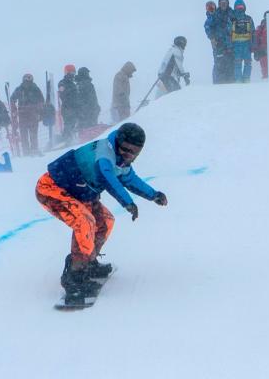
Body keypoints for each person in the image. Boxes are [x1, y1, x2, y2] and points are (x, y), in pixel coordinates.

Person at [35, 123, 168, 302]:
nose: (129, 155)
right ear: (118, 143)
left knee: (105, 221)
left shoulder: (121, 159)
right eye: (126, 150)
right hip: (51, 189)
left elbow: (129, 178)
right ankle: (74, 276)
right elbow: (108, 179)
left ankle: (88, 262)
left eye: (134, 152)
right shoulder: (105, 155)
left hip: (79, 192)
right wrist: (128, 203)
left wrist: (154, 195)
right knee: (84, 222)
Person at [11, 73, 45, 156]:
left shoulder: (34, 89)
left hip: (28, 114)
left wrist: (40, 112)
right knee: (29, 133)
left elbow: (41, 100)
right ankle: (29, 151)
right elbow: (12, 99)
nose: (27, 82)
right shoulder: (22, 89)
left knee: (28, 133)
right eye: (27, 80)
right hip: (27, 114)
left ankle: (30, 150)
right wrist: (14, 109)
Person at [206, 0, 237, 84]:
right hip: (219, 44)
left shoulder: (232, 13)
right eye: (221, 3)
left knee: (231, 64)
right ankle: (218, 83)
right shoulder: (215, 14)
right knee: (219, 64)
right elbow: (208, 26)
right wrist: (212, 37)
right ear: (219, 4)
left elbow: (238, 24)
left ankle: (232, 82)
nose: (223, 4)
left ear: (227, 3)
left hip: (231, 44)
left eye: (225, 2)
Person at [229, 0, 255, 83]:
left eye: (241, 6)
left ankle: (246, 78)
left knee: (247, 63)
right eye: (238, 7)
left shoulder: (249, 18)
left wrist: (253, 44)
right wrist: (230, 45)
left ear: (244, 7)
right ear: (235, 8)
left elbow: (253, 32)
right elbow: (229, 33)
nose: (240, 8)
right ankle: (238, 79)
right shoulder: (232, 19)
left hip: (246, 45)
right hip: (236, 46)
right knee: (237, 63)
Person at [58, 65, 81, 146]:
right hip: (67, 108)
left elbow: (76, 96)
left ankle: (69, 140)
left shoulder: (73, 84)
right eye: (71, 72)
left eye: (74, 73)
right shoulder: (62, 83)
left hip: (73, 108)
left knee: (72, 124)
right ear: (67, 72)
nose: (73, 75)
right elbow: (63, 95)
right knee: (68, 123)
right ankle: (66, 140)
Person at [254, 10, 269, 79]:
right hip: (263, 50)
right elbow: (256, 38)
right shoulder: (261, 27)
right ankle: (265, 79)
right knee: (265, 69)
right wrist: (256, 51)